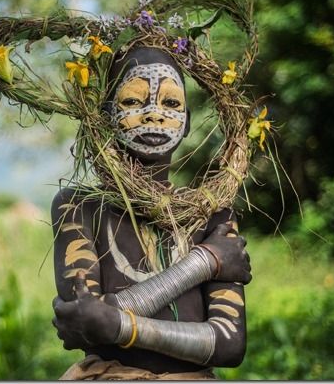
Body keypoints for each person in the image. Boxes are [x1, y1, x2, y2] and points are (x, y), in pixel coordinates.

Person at [51, 46, 252, 380]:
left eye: (171, 103)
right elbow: (83, 323)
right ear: (105, 116)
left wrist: (118, 324)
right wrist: (204, 263)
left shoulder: (213, 215)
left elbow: (230, 345)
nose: (154, 114)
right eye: (132, 101)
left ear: (187, 122)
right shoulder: (80, 206)